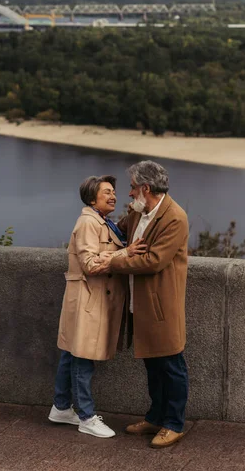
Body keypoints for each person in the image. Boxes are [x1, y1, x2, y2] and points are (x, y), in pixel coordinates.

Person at [94, 161, 189, 448]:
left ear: (146, 188)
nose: (129, 193)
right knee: (152, 365)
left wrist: (114, 260)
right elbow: (116, 234)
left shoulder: (175, 218)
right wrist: (94, 216)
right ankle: (155, 417)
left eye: (133, 187)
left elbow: (153, 261)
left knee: (171, 365)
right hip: (139, 304)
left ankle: (173, 424)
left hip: (161, 306)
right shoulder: (138, 213)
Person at [48, 175, 147, 438]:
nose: (113, 195)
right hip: (88, 299)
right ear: (92, 199)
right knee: (83, 357)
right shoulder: (88, 223)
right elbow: (91, 265)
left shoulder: (102, 221)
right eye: (106, 192)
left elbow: (117, 237)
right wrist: (125, 253)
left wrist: (134, 211)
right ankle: (86, 416)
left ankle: (60, 407)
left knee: (72, 353)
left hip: (88, 299)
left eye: (114, 191)